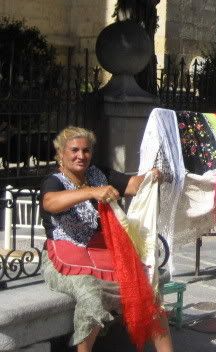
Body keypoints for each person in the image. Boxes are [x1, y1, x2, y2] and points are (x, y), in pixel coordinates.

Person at [40, 126, 172, 352]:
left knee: (145, 289)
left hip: (102, 255)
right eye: (74, 150)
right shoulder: (54, 181)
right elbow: (50, 202)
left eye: (86, 150)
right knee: (91, 294)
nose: (81, 156)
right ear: (61, 153)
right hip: (63, 260)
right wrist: (92, 192)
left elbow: (132, 185)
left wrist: (151, 176)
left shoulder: (98, 174)